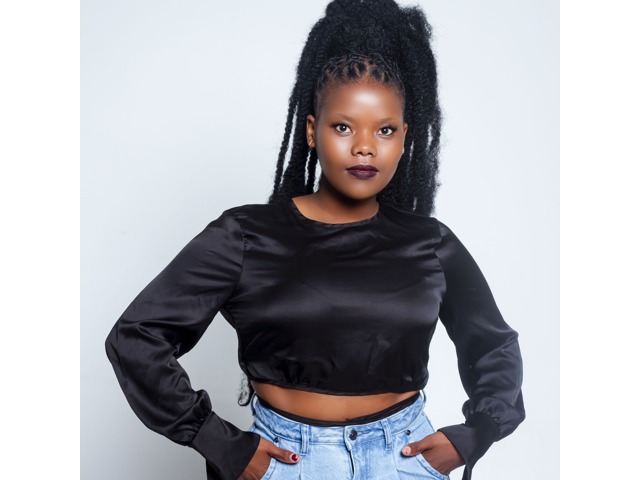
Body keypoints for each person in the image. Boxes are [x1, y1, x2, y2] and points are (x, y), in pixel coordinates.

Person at [105, 1, 525, 479]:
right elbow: (137, 337)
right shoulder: (246, 236)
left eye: (385, 130)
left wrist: (474, 434)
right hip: (286, 462)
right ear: (311, 130)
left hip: (405, 460)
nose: (364, 146)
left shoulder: (431, 244)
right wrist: (220, 443)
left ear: (404, 138)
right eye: (343, 126)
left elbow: (494, 345)